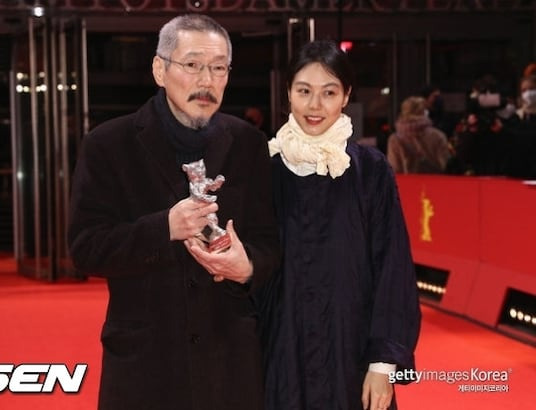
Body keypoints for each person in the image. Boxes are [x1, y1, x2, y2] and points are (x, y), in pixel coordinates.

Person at [67, 14, 280, 410]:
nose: (206, 80)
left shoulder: (249, 144)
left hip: (230, 364)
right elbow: (85, 248)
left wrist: (247, 266)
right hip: (145, 367)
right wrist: (163, 227)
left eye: (218, 68)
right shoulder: (108, 144)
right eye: (193, 64)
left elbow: (270, 242)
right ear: (159, 70)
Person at [258, 40, 421, 410]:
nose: (315, 105)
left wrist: (383, 364)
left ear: (346, 96)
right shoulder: (263, 170)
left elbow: (393, 267)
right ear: (288, 93)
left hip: (353, 356)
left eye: (329, 92)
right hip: (281, 357)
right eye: (304, 91)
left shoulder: (371, 171)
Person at [386, 96, 451, 174]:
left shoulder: (395, 139)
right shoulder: (438, 136)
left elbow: (395, 169)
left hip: (407, 181)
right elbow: (445, 165)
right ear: (424, 112)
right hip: (435, 180)